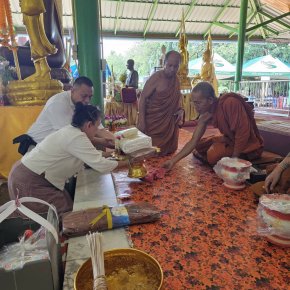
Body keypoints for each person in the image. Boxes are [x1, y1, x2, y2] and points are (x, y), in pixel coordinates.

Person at [8, 103, 128, 216]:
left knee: (66, 202)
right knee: (62, 214)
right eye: (96, 127)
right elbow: (101, 165)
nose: (96, 132)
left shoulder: (71, 131)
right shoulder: (76, 136)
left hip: (27, 172)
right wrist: (130, 162)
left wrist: (113, 154)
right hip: (29, 179)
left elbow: (91, 155)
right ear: (89, 125)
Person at [163, 82, 264, 170]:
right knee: (200, 144)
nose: (195, 107)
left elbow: (242, 134)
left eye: (198, 103)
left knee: (213, 155)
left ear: (210, 100)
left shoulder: (230, 103)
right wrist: (173, 161)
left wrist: (233, 161)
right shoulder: (206, 114)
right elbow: (193, 141)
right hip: (230, 140)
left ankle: (237, 156)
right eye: (194, 103)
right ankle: (221, 151)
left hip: (248, 145)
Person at [13, 76, 115, 155]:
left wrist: (119, 142)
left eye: (90, 97)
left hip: (57, 147)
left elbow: (99, 129)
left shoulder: (83, 104)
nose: (87, 100)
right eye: (84, 96)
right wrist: (103, 142)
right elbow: (71, 138)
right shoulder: (58, 104)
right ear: (72, 90)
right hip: (37, 147)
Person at [137, 51, 184, 155]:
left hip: (169, 125)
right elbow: (143, 97)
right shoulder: (156, 78)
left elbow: (177, 100)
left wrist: (180, 110)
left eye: (176, 66)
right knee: (150, 150)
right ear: (164, 63)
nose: (172, 69)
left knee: (170, 151)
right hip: (154, 122)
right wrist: (141, 120)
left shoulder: (176, 80)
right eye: (169, 65)